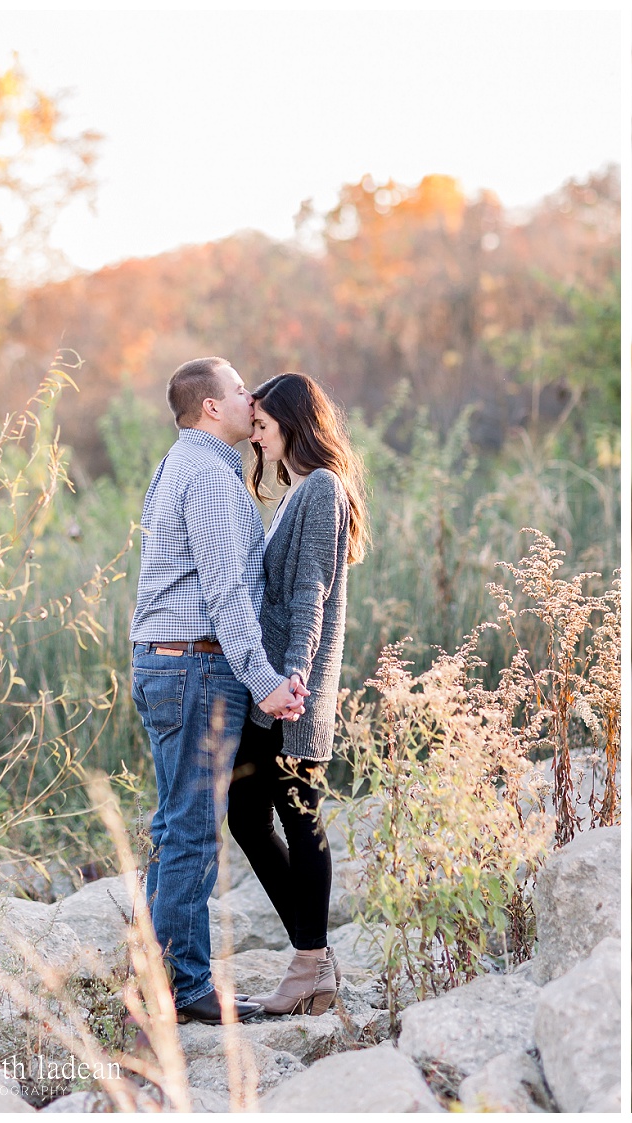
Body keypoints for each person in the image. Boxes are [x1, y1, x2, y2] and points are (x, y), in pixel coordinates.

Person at [130, 357, 309, 1025]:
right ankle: (181, 988)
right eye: (238, 389)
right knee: (191, 834)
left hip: (181, 666)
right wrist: (263, 679)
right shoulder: (205, 475)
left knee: (179, 826)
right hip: (194, 670)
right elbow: (225, 590)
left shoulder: (191, 464)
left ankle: (164, 978)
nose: (249, 396)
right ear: (210, 407)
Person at [226, 372, 369, 1016]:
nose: (256, 437)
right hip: (276, 687)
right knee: (250, 814)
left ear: (290, 422)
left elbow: (309, 591)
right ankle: (315, 962)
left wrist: (291, 682)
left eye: (261, 426)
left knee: (292, 813)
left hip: (290, 689)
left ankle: (311, 966)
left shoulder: (321, 490)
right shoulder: (302, 493)